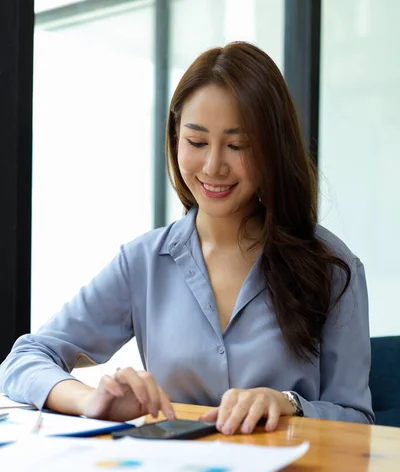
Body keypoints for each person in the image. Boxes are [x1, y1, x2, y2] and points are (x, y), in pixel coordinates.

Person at [0, 41, 374, 435]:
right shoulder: (144, 262)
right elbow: (25, 358)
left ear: (272, 150)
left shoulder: (333, 266)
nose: (213, 167)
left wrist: (289, 404)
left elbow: (359, 419)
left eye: (237, 146)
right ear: (176, 136)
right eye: (196, 142)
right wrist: (90, 400)